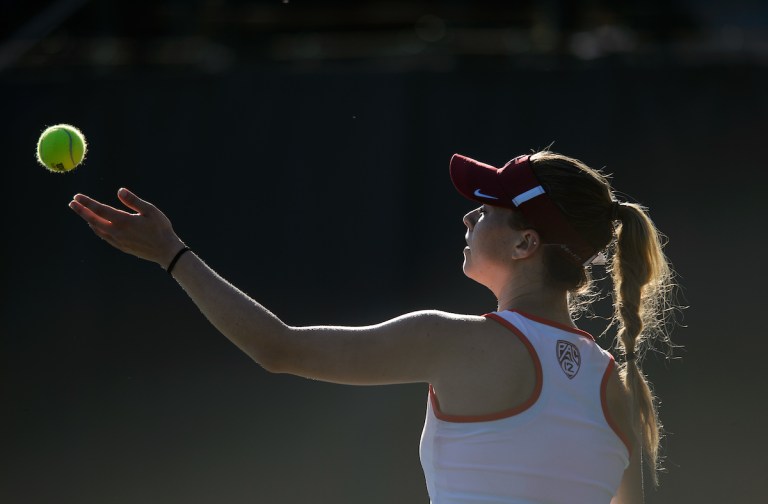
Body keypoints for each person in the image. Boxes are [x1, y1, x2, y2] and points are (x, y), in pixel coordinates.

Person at [68, 150, 677, 504]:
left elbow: (277, 347)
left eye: (487, 207)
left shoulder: (454, 340)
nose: (469, 214)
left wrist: (171, 253)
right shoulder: (617, 387)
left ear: (526, 242)